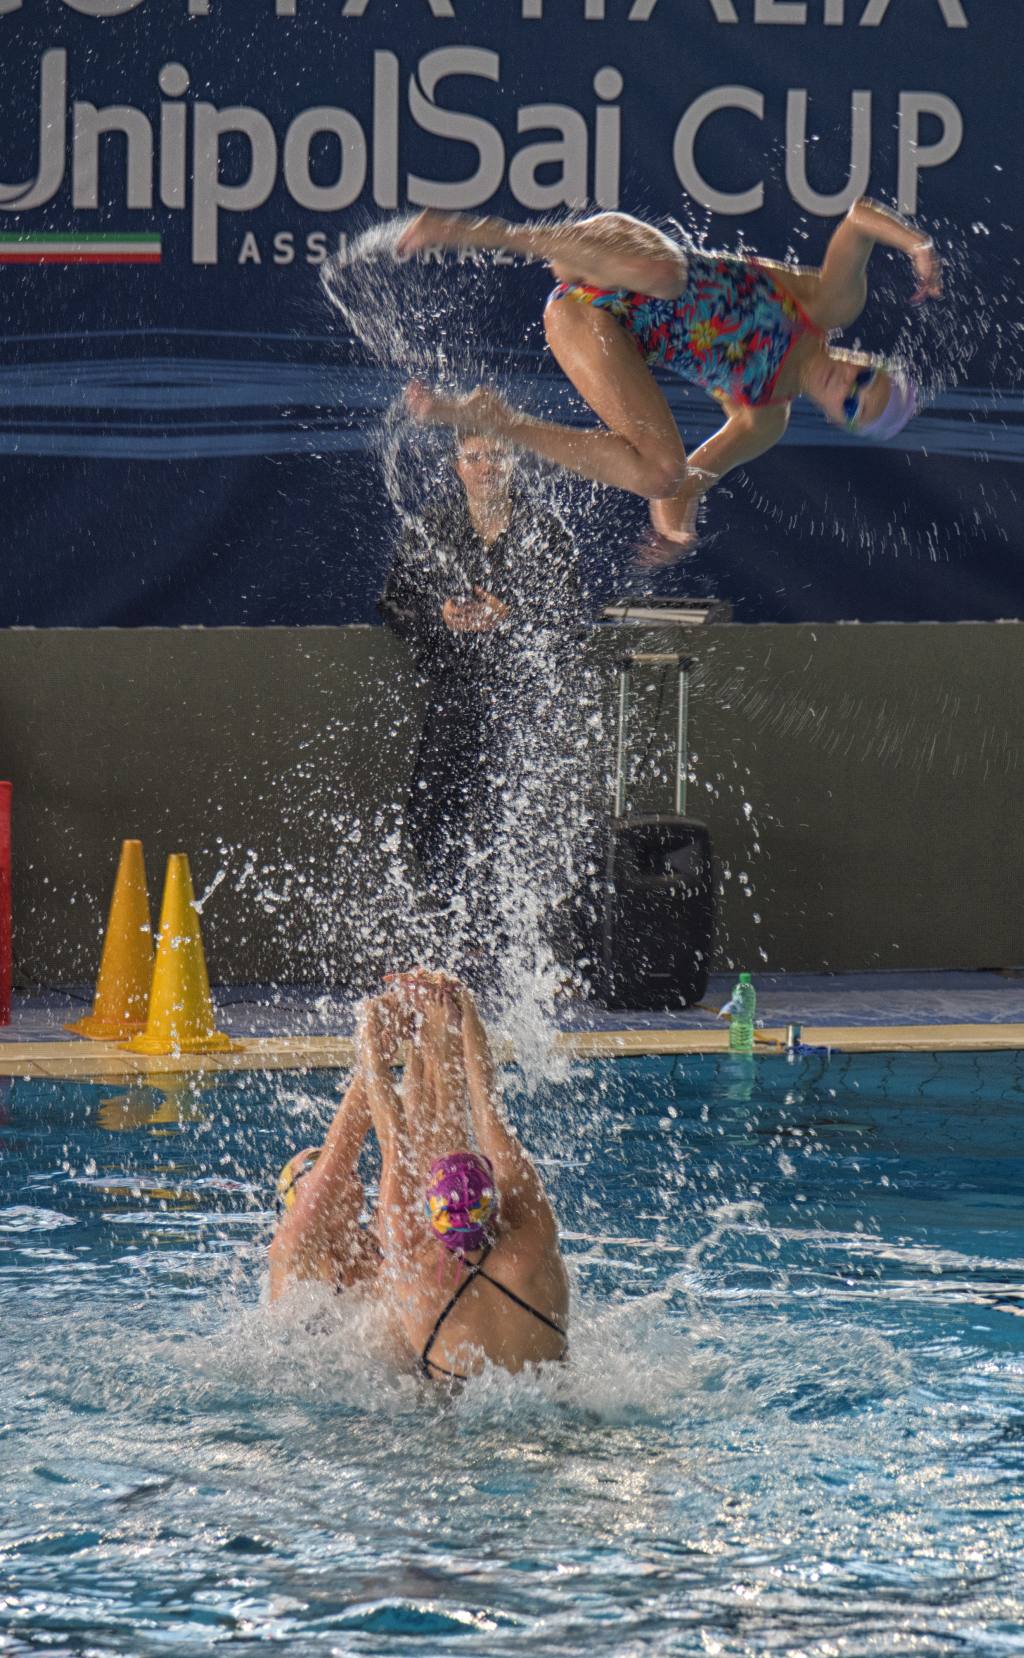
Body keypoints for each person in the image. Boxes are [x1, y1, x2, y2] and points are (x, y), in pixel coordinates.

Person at [393, 198, 941, 557]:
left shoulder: (765, 417)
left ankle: (498, 420)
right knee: (669, 276)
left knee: (660, 473)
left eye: (852, 409)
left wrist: (675, 527)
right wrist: (916, 243)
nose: (846, 390)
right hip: (612, 252)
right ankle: (481, 232)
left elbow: (687, 482)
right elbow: (858, 218)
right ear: (864, 360)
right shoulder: (829, 305)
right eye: (865, 382)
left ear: (832, 420)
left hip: (585, 319)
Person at [267, 971, 570, 1384]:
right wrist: (448, 1028)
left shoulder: (411, 1271)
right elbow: (466, 1130)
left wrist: (388, 1045)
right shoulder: (293, 1251)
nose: (334, 1172)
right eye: (311, 1168)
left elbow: (399, 1149)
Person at [379, 433, 582, 963]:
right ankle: (452, 927)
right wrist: (440, 617)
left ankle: (513, 939)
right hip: (454, 692)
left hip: (519, 697)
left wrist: (510, 619)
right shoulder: (433, 528)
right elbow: (394, 606)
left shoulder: (544, 531)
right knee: (433, 815)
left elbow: (569, 617)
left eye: (496, 455)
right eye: (476, 457)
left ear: (513, 464)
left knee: (507, 818)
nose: (487, 466)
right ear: (457, 467)